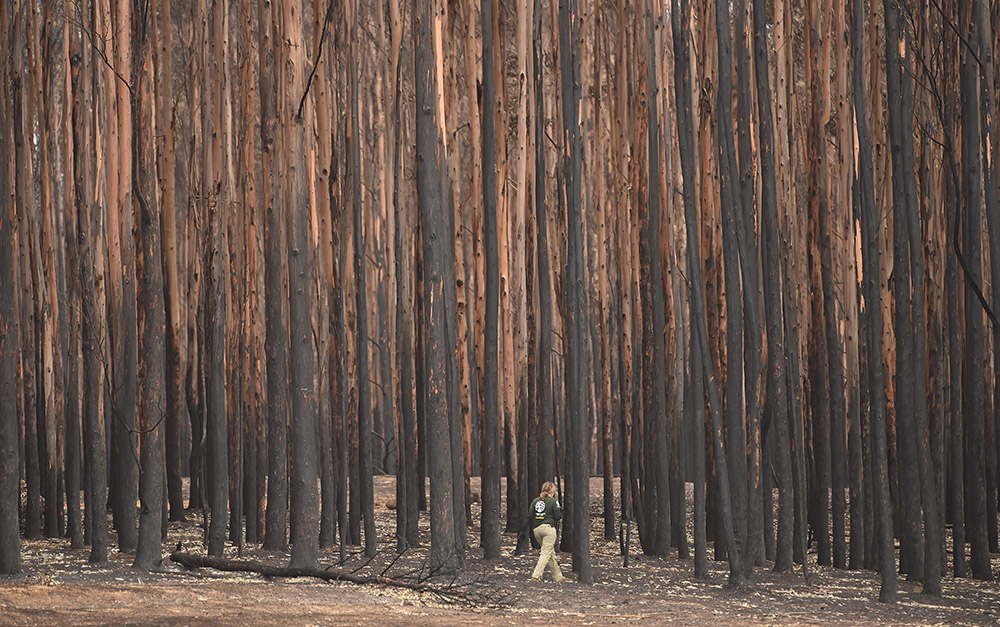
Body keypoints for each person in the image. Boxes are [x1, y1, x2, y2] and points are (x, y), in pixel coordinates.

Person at [528, 481, 564, 582]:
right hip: (548, 530)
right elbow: (557, 516)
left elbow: (529, 516)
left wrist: (523, 529)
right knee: (545, 553)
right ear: (552, 491)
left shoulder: (535, 501)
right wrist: (561, 512)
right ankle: (536, 575)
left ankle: (558, 577)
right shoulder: (553, 501)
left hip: (537, 530)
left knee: (550, 553)